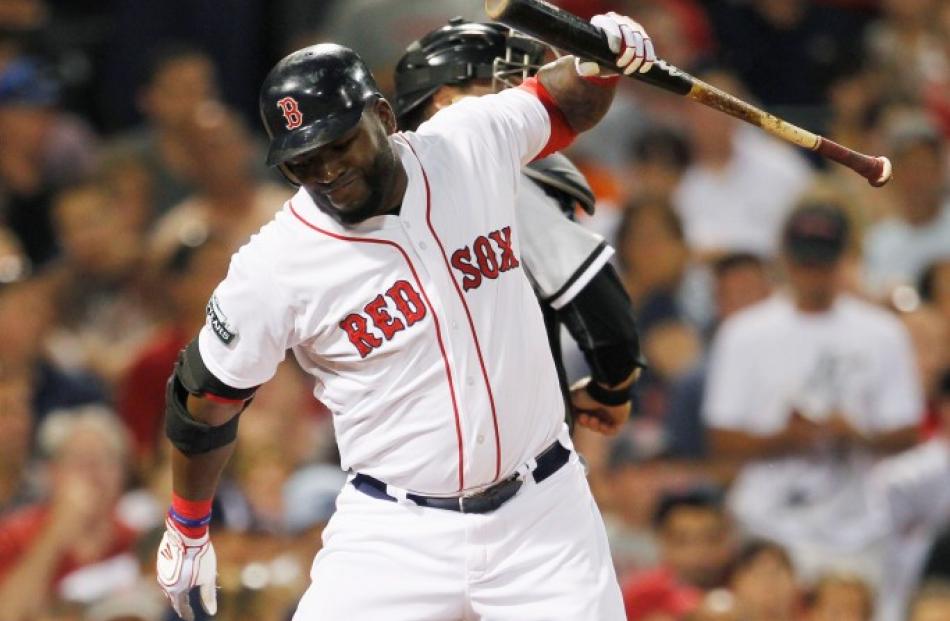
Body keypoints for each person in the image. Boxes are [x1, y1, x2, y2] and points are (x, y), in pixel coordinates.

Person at [155, 11, 656, 621]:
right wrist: (187, 525)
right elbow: (203, 396)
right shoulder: (276, 265)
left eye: (339, 144)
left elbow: (560, 103)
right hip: (396, 532)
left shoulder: (466, 143)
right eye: (303, 162)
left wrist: (602, 60)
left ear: (385, 117)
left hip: (543, 516)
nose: (326, 172)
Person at [392, 18, 644, 424]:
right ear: (445, 99)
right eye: (503, 85)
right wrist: (611, 389)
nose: (520, 99)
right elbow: (599, 307)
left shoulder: (374, 196)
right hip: (509, 440)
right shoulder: (483, 173)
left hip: (412, 437)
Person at [703, 201, 924, 585]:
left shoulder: (882, 332)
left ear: (845, 259)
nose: (813, 274)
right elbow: (720, 437)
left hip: (856, 529)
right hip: (768, 526)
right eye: (805, 261)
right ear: (785, 258)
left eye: (822, 262)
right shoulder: (744, 333)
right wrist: (787, 438)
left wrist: (854, 434)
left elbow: (907, 430)